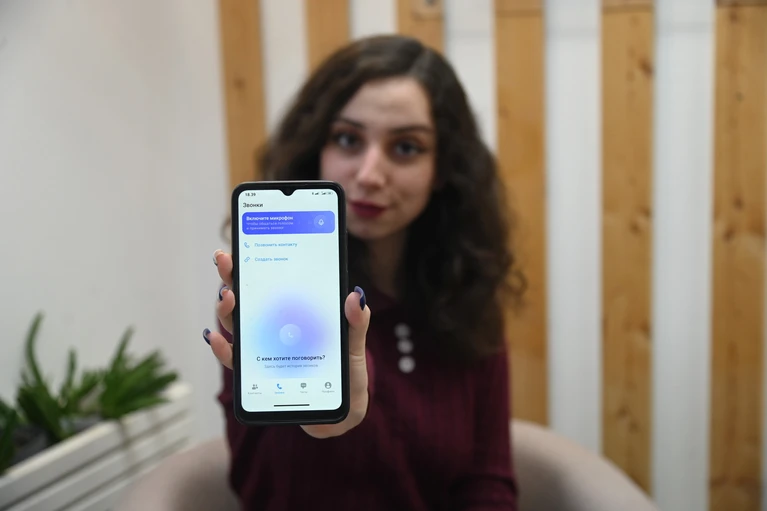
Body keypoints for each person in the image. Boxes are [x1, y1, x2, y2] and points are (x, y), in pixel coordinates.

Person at [203, 34, 526, 510]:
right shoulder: (267, 293)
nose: (370, 174)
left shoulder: (468, 298)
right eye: (348, 140)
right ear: (316, 148)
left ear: (442, 168)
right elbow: (260, 485)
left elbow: (488, 483)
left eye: (406, 147)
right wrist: (323, 414)